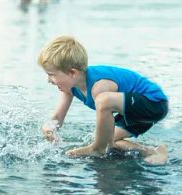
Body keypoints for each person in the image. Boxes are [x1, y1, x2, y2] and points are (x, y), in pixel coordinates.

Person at [37, 36, 168, 165]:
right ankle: (152, 152)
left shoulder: (99, 85)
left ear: (72, 73)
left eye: (51, 75)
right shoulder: (69, 87)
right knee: (111, 142)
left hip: (154, 103)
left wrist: (96, 147)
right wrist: (50, 127)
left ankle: (97, 149)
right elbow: (57, 118)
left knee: (103, 102)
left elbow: (105, 106)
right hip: (133, 112)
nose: (49, 80)